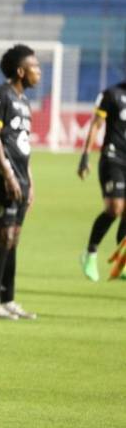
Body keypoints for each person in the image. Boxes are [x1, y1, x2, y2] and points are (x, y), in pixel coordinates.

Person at [0, 44, 39, 320]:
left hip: (19, 177)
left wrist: (30, 180)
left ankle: (9, 299)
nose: (38, 72)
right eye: (34, 67)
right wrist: (9, 175)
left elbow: (23, 146)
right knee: (3, 237)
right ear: (20, 71)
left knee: (14, 239)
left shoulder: (25, 102)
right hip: (0, 176)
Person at [77, 79, 126, 281]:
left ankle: (121, 264)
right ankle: (90, 253)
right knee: (115, 208)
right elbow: (96, 125)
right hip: (112, 158)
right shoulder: (111, 94)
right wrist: (85, 156)